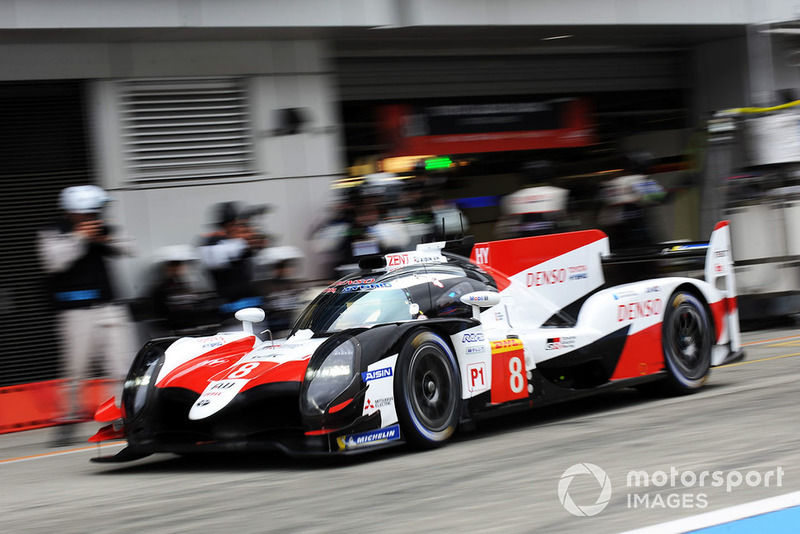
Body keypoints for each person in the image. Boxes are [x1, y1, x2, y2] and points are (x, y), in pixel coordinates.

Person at [37, 185, 136, 446]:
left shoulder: (103, 228)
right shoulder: (54, 231)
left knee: (120, 367)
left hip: (109, 307)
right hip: (74, 312)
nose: (97, 215)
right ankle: (67, 420)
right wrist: (79, 237)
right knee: (75, 371)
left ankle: (118, 417)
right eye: (92, 211)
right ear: (77, 211)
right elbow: (52, 262)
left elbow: (130, 247)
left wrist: (105, 238)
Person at [198, 201, 269, 320]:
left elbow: (258, 261)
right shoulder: (213, 241)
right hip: (228, 307)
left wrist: (256, 244)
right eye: (233, 224)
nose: (236, 228)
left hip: (251, 303)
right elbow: (215, 259)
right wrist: (244, 243)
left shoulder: (240, 244)